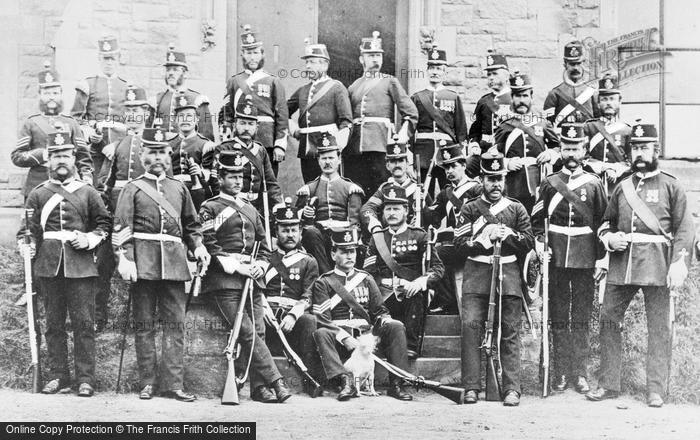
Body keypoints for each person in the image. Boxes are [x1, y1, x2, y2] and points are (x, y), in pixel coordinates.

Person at [586, 122, 695, 408]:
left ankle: (655, 389)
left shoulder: (671, 185)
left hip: (658, 264)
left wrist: (678, 264)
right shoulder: (622, 187)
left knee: (658, 328)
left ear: (656, 150)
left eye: (645, 147)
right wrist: (609, 238)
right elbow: (605, 223)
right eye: (635, 148)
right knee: (609, 320)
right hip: (623, 265)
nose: (640, 153)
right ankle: (609, 383)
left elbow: (685, 229)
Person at [112, 127, 210, 402]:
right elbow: (121, 227)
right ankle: (147, 382)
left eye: (161, 152)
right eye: (151, 152)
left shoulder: (178, 188)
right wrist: (125, 257)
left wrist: (198, 245)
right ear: (143, 154)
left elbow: (191, 224)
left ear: (169, 155)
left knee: (175, 326)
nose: (157, 157)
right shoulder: (132, 188)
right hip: (143, 263)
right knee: (144, 325)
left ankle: (173, 384)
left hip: (175, 264)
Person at [18, 132, 111, 397]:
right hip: (48, 265)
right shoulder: (38, 193)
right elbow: (28, 229)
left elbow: (104, 224)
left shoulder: (88, 192)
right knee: (53, 324)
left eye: (66, 156)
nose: (61, 160)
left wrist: (91, 239)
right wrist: (27, 244)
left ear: (73, 159)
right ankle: (59, 376)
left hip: (81, 266)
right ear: (49, 159)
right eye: (56, 155)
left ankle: (86, 379)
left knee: (83, 323)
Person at [198, 151, 292, 403]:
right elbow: (209, 243)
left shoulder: (251, 209)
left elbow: (265, 245)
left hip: (253, 279)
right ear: (220, 178)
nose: (238, 181)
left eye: (240, 176)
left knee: (258, 331)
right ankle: (276, 381)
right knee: (247, 332)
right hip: (225, 279)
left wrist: (261, 264)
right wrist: (236, 267)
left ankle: (260, 390)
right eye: (231, 176)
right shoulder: (210, 207)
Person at [530, 123, 608, 394]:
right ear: (560, 150)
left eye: (576, 148)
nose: (571, 153)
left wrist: (601, 259)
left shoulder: (595, 184)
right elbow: (537, 221)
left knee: (582, 317)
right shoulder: (550, 183)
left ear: (584, 150)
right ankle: (560, 371)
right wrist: (541, 244)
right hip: (557, 258)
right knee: (559, 316)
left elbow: (602, 223)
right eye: (566, 148)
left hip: (586, 257)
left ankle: (580, 373)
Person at [455, 150, 534, 406]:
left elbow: (529, 241)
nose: (495, 184)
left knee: (509, 331)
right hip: (477, 276)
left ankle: (512, 388)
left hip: (508, 275)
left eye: (499, 178)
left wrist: (508, 234)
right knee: (471, 329)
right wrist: (484, 239)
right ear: (482, 180)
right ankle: (471, 387)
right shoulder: (469, 209)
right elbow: (458, 244)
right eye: (490, 179)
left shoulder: (516, 208)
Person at [311, 227, 414, 401]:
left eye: (352, 251)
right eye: (344, 252)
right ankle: (345, 381)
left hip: (366, 338)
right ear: (333, 254)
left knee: (395, 326)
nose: (350, 256)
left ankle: (397, 384)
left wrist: (385, 320)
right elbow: (323, 318)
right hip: (340, 340)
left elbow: (379, 311)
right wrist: (344, 338)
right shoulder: (324, 282)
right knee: (321, 332)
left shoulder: (366, 278)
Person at [363, 185, 444, 358]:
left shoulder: (419, 235)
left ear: (406, 210)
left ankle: (410, 345)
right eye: (388, 209)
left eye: (396, 209)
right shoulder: (378, 238)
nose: (391, 213)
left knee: (414, 295)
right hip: (384, 293)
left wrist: (419, 282)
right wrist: (382, 286)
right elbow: (368, 272)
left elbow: (437, 268)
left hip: (410, 293)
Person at [261, 199, 322, 395]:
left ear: (301, 232)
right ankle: (260, 384)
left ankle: (310, 378)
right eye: (284, 230)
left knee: (310, 320)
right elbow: (256, 289)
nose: (289, 235)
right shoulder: (265, 258)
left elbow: (309, 294)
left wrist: (293, 315)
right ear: (276, 231)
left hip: (292, 320)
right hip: (267, 316)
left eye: (294, 230)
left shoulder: (308, 262)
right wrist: (262, 309)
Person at [346, 31, 418, 196]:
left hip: (380, 144)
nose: (375, 59)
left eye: (378, 55)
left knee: (381, 186)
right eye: (370, 55)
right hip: (356, 146)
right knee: (357, 187)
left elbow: (411, 112)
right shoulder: (353, 86)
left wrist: (401, 136)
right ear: (361, 59)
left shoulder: (389, 81)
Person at [12, 61, 93, 200]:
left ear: (61, 94)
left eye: (55, 93)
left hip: (67, 184)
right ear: (40, 95)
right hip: (37, 185)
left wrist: (87, 177)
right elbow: (17, 157)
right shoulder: (31, 123)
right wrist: (43, 154)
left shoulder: (71, 123)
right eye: (46, 92)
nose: (51, 97)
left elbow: (83, 156)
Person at [221, 25, 288, 175]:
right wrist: (226, 141)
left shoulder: (273, 82)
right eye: (248, 52)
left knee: (266, 182)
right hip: (239, 140)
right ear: (242, 55)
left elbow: (282, 117)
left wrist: (280, 145)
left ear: (262, 54)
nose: (252, 57)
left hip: (266, 142)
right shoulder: (234, 81)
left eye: (256, 52)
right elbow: (226, 115)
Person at [425, 142, 482, 314]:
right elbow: (433, 218)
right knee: (432, 252)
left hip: (475, 240)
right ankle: (444, 299)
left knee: (440, 254)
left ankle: (446, 301)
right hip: (456, 243)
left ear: (464, 165)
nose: (449, 171)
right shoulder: (446, 193)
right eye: (446, 168)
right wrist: (421, 201)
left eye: (453, 166)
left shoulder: (477, 189)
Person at [295, 132, 364, 274]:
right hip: (318, 238)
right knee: (311, 232)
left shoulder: (350, 188)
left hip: (344, 236)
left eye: (331, 158)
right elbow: (296, 217)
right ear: (318, 161)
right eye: (324, 158)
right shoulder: (309, 189)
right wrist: (304, 213)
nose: (327, 162)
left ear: (339, 159)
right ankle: (327, 275)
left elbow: (354, 222)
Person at [288, 40, 352, 182]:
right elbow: (282, 111)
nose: (308, 66)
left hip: (329, 146)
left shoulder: (337, 88)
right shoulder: (302, 90)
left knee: (330, 186)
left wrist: (337, 147)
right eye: (307, 62)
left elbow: (346, 121)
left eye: (312, 62)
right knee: (310, 185)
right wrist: (294, 130)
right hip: (306, 147)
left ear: (324, 64)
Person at [494, 71, 559, 213]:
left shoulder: (542, 123)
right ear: (512, 97)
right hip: (514, 182)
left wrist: (549, 153)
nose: (521, 100)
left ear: (531, 97)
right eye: (518, 96)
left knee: (539, 215)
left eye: (525, 95)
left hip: (539, 179)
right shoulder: (504, 125)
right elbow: (494, 155)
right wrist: (507, 163)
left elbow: (557, 147)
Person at [71, 35, 128, 185]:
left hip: (120, 144)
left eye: (112, 58)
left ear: (119, 59)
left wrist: (119, 144)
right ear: (99, 59)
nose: (109, 62)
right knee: (94, 186)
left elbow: (134, 122)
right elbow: (75, 117)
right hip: (95, 146)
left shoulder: (127, 87)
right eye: (105, 58)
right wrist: (88, 133)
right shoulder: (87, 84)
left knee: (118, 185)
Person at [410, 44, 468, 189]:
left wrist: (461, 157)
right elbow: (411, 130)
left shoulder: (453, 97)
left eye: (439, 69)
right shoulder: (417, 98)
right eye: (432, 68)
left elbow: (461, 130)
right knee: (422, 193)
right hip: (422, 154)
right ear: (427, 71)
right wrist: (410, 159)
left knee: (449, 191)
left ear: (444, 72)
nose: (435, 72)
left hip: (448, 153)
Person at [215, 96, 283, 217]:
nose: (246, 128)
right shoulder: (224, 148)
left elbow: (271, 182)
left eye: (250, 124)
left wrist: (279, 204)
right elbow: (216, 181)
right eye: (242, 123)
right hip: (231, 206)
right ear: (235, 125)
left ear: (257, 127)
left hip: (256, 208)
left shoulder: (260, 150)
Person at [103, 85, 169, 210]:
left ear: (146, 113)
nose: (131, 115)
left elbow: (166, 182)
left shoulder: (155, 142)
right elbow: (106, 182)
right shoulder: (118, 144)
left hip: (147, 202)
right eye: (128, 111)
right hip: (118, 203)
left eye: (135, 111)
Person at [360, 137, 426, 237]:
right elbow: (367, 208)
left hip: (414, 237)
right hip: (390, 236)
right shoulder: (384, 189)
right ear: (387, 166)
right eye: (393, 161)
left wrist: (423, 204)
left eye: (400, 161)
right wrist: (376, 226)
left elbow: (433, 219)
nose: (397, 165)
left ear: (407, 164)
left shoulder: (417, 187)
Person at [151, 44, 214, 140]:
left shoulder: (197, 100)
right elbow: (148, 132)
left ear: (185, 74)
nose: (171, 73)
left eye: (175, 70)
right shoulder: (157, 100)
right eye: (168, 70)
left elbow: (206, 136)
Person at [583, 74, 631, 194]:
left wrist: (614, 169)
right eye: (604, 99)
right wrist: (604, 168)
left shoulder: (627, 130)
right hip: (593, 183)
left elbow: (631, 161)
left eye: (612, 99)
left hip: (619, 184)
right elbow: (583, 157)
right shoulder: (589, 127)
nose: (608, 103)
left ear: (620, 102)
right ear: (598, 103)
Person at [169, 92, 216, 210]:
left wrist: (199, 172)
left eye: (189, 116)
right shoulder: (168, 145)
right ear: (175, 120)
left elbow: (210, 178)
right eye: (181, 116)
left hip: (197, 194)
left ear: (196, 120)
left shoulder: (206, 145)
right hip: (172, 193)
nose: (185, 120)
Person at [543, 40, 600, 129]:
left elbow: (599, 123)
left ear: (584, 63)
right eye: (572, 64)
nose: (576, 68)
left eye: (579, 63)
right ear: (565, 64)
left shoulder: (592, 93)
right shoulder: (554, 94)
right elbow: (547, 125)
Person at [468, 50, 512, 155]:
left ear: (506, 76)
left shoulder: (515, 100)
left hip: (509, 153)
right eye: (489, 74)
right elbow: (475, 132)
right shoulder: (483, 102)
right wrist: (474, 145)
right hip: (485, 154)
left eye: (495, 73)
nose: (491, 77)